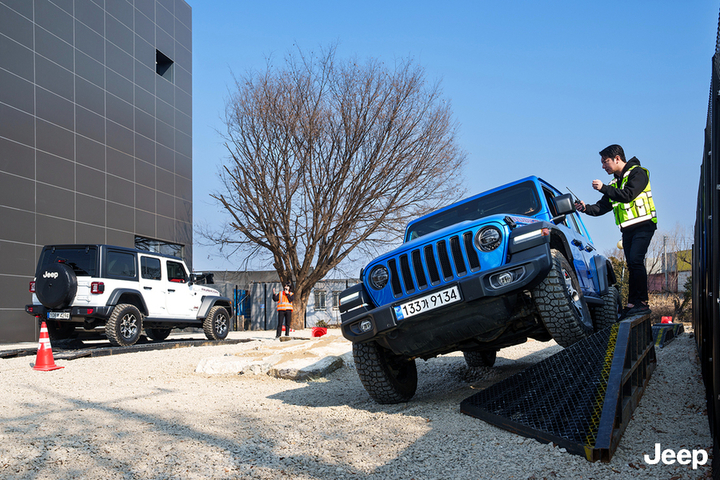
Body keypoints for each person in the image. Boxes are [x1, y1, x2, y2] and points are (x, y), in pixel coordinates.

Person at [575, 144, 657, 319]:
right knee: (631, 265)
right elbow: (601, 207)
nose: (603, 166)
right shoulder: (614, 183)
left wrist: (603, 188)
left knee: (636, 261)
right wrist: (584, 208)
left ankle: (642, 303)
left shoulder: (638, 173)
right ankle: (632, 304)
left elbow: (628, 195)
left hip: (644, 225)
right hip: (628, 230)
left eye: (605, 162)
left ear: (617, 159)